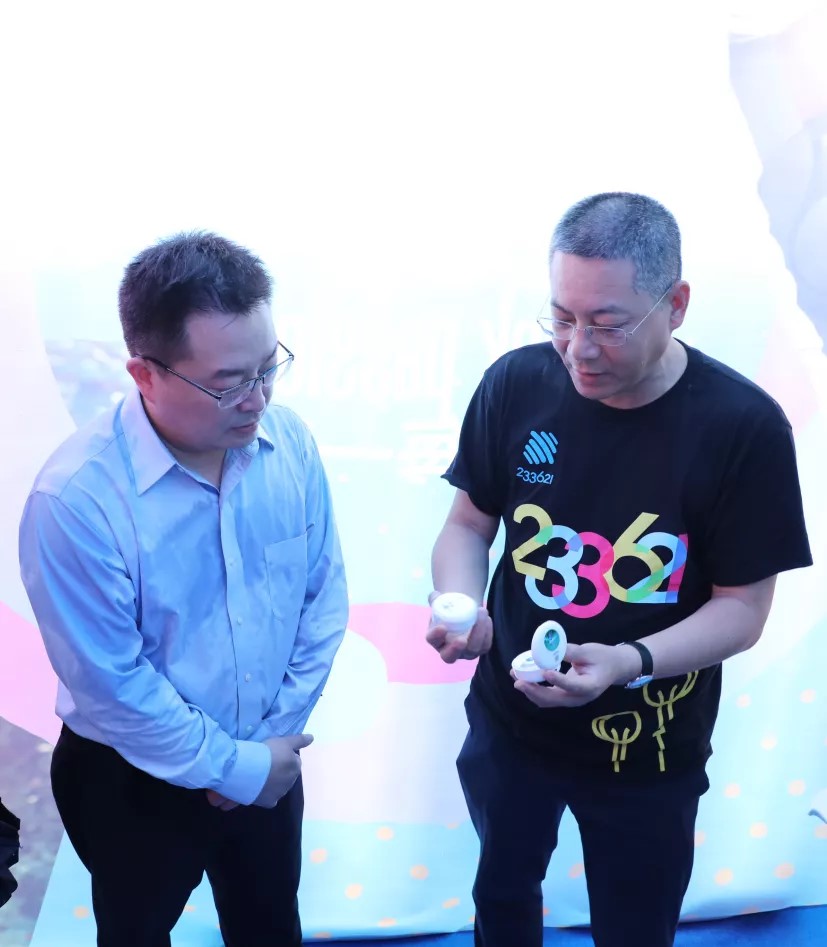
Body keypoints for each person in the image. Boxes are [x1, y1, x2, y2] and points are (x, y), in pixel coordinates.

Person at [427, 192, 812, 947]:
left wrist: (626, 661)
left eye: (607, 324)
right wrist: (461, 603)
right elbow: (468, 524)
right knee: (501, 898)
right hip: (512, 721)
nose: (578, 348)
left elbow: (741, 608)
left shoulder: (743, 427)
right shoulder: (515, 384)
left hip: (650, 745)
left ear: (676, 305)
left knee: (636, 926)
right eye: (561, 318)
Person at [19, 232, 348, 946]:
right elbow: (114, 683)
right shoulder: (76, 500)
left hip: (268, 749)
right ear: (144, 373)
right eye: (228, 382)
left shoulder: (289, 443)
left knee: (270, 926)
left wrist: (265, 746)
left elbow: (320, 599)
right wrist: (232, 768)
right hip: (130, 777)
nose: (257, 399)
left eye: (268, 368)